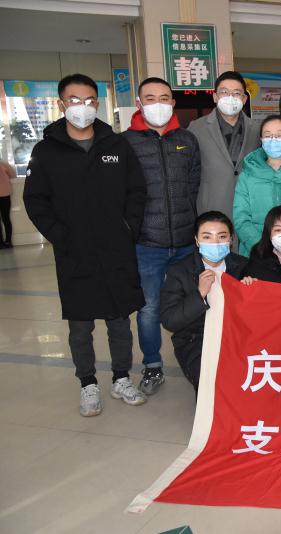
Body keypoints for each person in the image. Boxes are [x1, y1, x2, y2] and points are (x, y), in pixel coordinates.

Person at [23, 73, 147, 416]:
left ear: (98, 103)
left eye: (90, 100)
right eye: (75, 100)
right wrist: (61, 236)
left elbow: (137, 190)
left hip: (116, 249)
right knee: (80, 325)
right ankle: (88, 382)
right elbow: (36, 201)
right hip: (74, 253)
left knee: (120, 321)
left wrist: (128, 228)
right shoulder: (46, 151)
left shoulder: (116, 145)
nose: (83, 106)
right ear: (62, 104)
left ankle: (122, 377)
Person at [122, 77, 201, 395]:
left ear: (173, 102)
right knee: (149, 308)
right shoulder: (125, 142)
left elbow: (193, 184)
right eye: (150, 98)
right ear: (139, 104)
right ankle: (152, 366)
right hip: (147, 244)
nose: (158, 104)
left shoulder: (187, 139)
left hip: (185, 242)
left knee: (193, 302)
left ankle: (196, 357)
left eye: (164, 98)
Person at [160, 211, 248, 394]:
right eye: (207, 237)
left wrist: (252, 290)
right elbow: (170, 320)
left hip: (238, 337)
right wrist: (199, 294)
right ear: (197, 240)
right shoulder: (180, 271)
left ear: (231, 239)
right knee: (210, 381)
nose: (215, 243)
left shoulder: (245, 267)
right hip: (197, 339)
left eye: (222, 236)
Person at [188, 71, 261, 220]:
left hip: (249, 209)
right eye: (224, 92)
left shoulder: (257, 129)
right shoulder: (196, 128)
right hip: (211, 208)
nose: (230, 97)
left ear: (244, 99)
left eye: (236, 93)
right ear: (215, 97)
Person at [234, 115, 281, 258]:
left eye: (279, 135)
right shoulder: (247, 176)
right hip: (257, 253)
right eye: (268, 136)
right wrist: (261, 247)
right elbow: (241, 218)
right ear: (261, 141)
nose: (273, 140)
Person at [0, 158, 13, 248]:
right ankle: (8, 242)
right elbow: (12, 174)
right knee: (6, 218)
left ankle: (0, 243)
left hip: (5, 194)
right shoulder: (3, 163)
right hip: (5, 194)